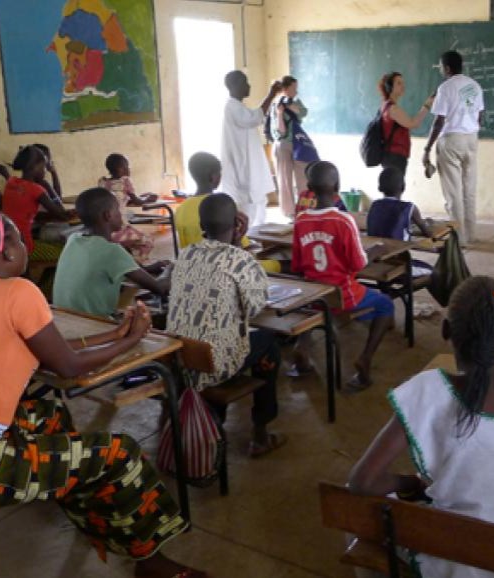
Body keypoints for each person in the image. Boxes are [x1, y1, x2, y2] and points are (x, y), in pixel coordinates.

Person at [0, 206, 204, 578]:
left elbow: (52, 349)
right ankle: (151, 563)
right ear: (7, 251)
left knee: (44, 412)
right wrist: (135, 340)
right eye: (16, 236)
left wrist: (115, 335)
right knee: (120, 453)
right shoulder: (18, 291)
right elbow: (68, 366)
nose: (25, 244)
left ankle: (86, 505)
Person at [349, 277, 494, 578]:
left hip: (465, 557)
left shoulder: (429, 390)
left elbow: (361, 482)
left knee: (362, 518)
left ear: (446, 331)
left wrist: (412, 484)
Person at [167, 193, 286, 457]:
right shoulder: (241, 260)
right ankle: (260, 432)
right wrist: (238, 245)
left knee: (225, 336)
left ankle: (215, 418)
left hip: (179, 359)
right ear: (237, 224)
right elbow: (255, 307)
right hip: (214, 364)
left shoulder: (184, 255)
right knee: (269, 343)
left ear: (201, 226)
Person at [291, 161, 393, 390]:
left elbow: (297, 264)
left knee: (312, 307)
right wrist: (374, 252)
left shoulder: (301, 220)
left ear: (309, 186)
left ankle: (303, 347)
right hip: (342, 295)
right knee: (385, 304)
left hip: (312, 295)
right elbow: (357, 264)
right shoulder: (344, 220)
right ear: (338, 185)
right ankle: (365, 358)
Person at [53, 188, 171, 319]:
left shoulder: (74, 239)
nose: (121, 215)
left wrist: (147, 268)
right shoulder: (111, 250)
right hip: (94, 325)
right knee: (151, 318)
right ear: (107, 215)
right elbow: (160, 288)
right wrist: (171, 269)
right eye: (118, 210)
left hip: (63, 320)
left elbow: (120, 267)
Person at [174, 152, 281, 273]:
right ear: (213, 177)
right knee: (277, 263)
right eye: (220, 174)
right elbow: (240, 248)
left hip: (194, 266)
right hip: (227, 266)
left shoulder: (180, 209)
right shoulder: (223, 205)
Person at [423, 50, 484, 245]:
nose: (440, 69)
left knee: (453, 192)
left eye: (441, 66)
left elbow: (439, 121)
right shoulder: (474, 85)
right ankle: (471, 233)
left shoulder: (446, 88)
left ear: (447, 68)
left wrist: (427, 148)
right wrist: (470, 129)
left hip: (451, 140)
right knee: (469, 189)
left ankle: (459, 238)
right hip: (471, 139)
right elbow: (480, 115)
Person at [221, 71, 281, 227]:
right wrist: (271, 94)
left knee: (259, 201)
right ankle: (248, 238)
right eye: (245, 82)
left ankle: (257, 235)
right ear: (234, 86)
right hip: (244, 167)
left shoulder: (238, 106)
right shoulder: (232, 107)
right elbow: (254, 118)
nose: (249, 86)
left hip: (250, 166)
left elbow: (255, 116)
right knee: (249, 205)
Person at [2, 145, 71, 262]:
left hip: (7, 242)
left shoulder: (11, 183)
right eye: (44, 166)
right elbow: (62, 215)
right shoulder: (36, 190)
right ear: (35, 167)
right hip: (26, 246)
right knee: (66, 251)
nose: (45, 170)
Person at [367, 167, 434, 277]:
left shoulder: (374, 205)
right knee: (435, 272)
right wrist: (427, 224)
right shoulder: (409, 208)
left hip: (377, 262)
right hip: (400, 265)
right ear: (403, 187)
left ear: (380, 187)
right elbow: (428, 233)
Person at [98, 153, 157, 264]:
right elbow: (137, 201)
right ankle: (139, 265)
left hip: (104, 230)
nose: (129, 169)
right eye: (127, 166)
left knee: (130, 244)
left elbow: (113, 197)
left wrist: (125, 199)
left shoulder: (102, 182)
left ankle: (128, 261)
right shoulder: (125, 181)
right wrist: (148, 198)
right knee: (148, 240)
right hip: (120, 228)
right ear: (120, 169)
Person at [377, 71, 434, 175]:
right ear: (389, 87)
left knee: (395, 188)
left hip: (393, 156)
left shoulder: (388, 106)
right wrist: (427, 105)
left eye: (403, 83)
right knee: (396, 189)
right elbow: (413, 123)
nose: (403, 86)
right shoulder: (392, 109)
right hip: (394, 156)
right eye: (398, 83)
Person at [269, 75, 310, 217]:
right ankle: (290, 213)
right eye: (293, 88)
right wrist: (281, 113)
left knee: (303, 178)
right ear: (285, 89)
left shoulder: (295, 101)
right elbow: (281, 131)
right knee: (285, 180)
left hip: (298, 143)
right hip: (283, 143)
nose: (296, 92)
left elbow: (304, 112)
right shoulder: (275, 104)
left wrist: (292, 107)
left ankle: (305, 208)